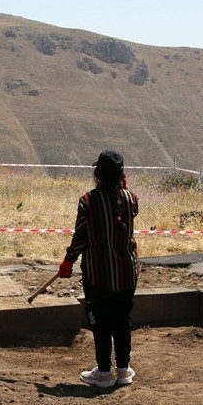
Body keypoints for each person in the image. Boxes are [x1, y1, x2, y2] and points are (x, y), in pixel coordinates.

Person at [57, 150, 140, 389]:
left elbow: (81, 238)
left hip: (99, 275)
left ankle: (104, 373)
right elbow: (128, 214)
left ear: (97, 174)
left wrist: (68, 261)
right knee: (122, 321)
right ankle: (123, 370)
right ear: (122, 175)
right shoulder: (131, 198)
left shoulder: (87, 201)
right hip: (126, 273)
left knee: (101, 323)